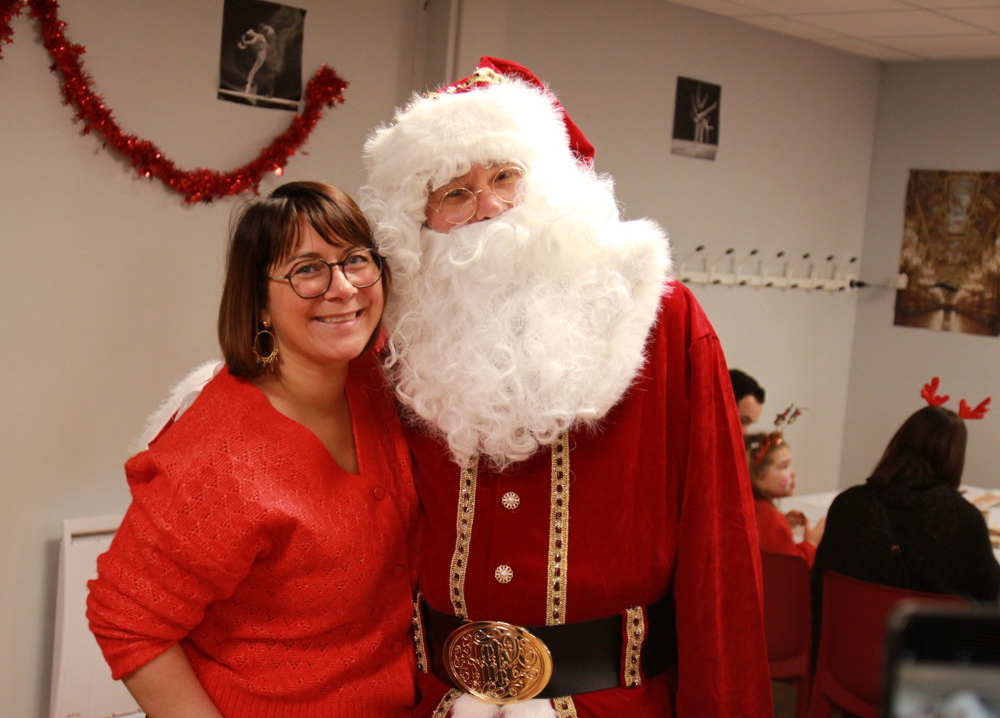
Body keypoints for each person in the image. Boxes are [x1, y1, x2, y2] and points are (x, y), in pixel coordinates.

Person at [361, 57, 770, 717]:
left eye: (506, 177)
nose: (489, 208)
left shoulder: (658, 319)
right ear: (420, 220)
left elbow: (717, 544)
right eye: (455, 193)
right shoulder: (399, 339)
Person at [86, 182, 417, 717]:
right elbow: (126, 618)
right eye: (307, 269)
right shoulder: (222, 454)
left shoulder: (377, 381)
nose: (342, 288)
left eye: (356, 259)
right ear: (260, 301)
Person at [812, 405, 1000, 612]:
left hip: (847, 630)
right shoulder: (963, 520)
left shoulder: (847, 504)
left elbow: (819, 585)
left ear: (898, 445)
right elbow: (991, 595)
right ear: (955, 458)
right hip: (925, 633)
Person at [746, 431, 824, 565]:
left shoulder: (751, 507)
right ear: (757, 475)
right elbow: (793, 566)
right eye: (784, 466)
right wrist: (811, 543)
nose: (793, 473)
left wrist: (784, 525)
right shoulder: (771, 519)